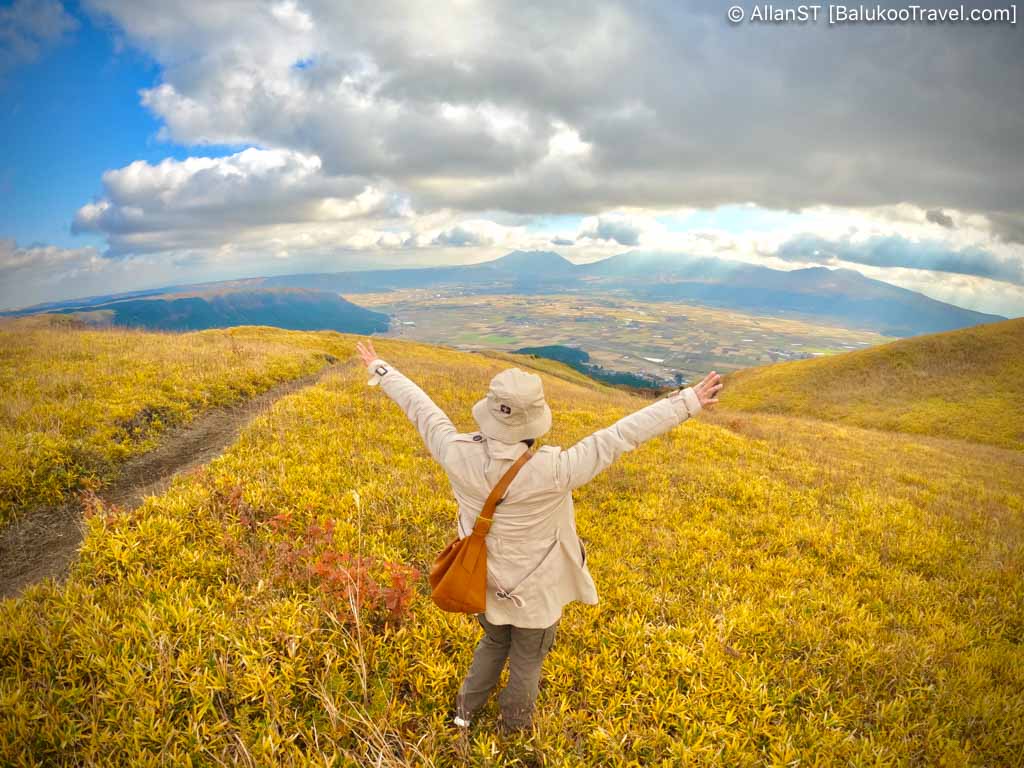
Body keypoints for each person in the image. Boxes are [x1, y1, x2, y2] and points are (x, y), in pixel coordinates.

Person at [355, 339, 722, 734]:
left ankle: (463, 714)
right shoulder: (557, 470)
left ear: (489, 414)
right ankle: (512, 729)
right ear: (534, 422)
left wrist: (383, 370)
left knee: (493, 644)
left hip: (482, 579)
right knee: (528, 658)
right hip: (536, 593)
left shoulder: (454, 450)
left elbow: (422, 410)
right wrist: (687, 402)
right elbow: (619, 437)